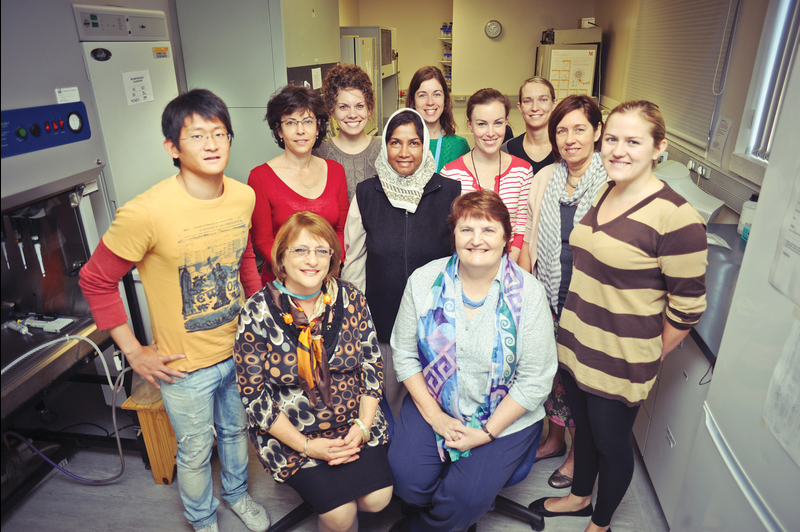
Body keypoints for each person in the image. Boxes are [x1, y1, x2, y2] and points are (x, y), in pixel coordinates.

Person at [79, 89, 269, 532]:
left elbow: (242, 261)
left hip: (238, 351)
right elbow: (95, 279)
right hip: (183, 367)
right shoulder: (145, 213)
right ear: (172, 147)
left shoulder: (243, 197)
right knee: (196, 449)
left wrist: (258, 318)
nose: (211, 144)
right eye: (197, 135)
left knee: (239, 435)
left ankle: (238, 496)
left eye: (220, 133)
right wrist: (133, 352)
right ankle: (202, 521)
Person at [530, 101, 707, 532]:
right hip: (574, 346)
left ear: (658, 148)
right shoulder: (606, 190)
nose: (618, 150)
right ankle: (578, 498)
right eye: (612, 139)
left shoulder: (677, 217)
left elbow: (688, 308)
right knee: (584, 434)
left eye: (633, 141)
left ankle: (601, 523)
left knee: (611, 445)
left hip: (619, 359)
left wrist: (644, 352)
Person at [387, 190, 557, 532]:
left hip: (503, 416)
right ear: (454, 235)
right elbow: (403, 354)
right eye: (466, 230)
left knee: (463, 499)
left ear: (507, 238)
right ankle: (455, 510)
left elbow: (535, 381)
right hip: (436, 403)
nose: (476, 240)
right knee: (407, 483)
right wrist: (435, 417)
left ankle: (445, 518)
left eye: (489, 230)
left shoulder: (529, 294)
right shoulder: (423, 281)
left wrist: (486, 433)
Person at [235, 211, 392, 532]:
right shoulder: (257, 311)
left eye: (322, 250)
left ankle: (337, 497)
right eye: (301, 250)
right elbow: (255, 399)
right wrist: (307, 446)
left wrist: (362, 426)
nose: (312, 260)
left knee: (377, 500)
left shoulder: (351, 299)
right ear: (281, 256)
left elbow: (372, 367)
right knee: (340, 516)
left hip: (353, 424)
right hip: (295, 434)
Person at [341, 108, 461, 418]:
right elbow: (354, 262)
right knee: (388, 409)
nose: (404, 152)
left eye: (414, 143)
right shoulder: (367, 193)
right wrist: (356, 323)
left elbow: (462, 260)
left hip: (437, 326)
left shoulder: (449, 191)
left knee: (439, 406)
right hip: (384, 326)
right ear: (385, 146)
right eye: (395, 143)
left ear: (425, 145)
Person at [517, 94, 608, 490]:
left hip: (590, 304)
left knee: (579, 381)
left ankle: (576, 454)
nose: (569, 139)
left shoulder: (612, 182)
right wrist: (526, 291)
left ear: (597, 132)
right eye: (562, 130)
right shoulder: (544, 179)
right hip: (549, 293)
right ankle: (553, 440)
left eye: (579, 129)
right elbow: (529, 236)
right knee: (552, 375)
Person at [249, 85, 349, 286]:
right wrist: (299, 271)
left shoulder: (336, 171)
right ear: (279, 130)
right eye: (291, 122)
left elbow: (342, 230)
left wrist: (325, 265)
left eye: (308, 121)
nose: (301, 130)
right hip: (282, 283)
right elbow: (263, 242)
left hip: (327, 279)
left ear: (318, 126)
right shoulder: (260, 177)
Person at [440, 88, 533, 263]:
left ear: (506, 122)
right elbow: (450, 231)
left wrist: (504, 270)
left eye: (497, 123)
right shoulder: (450, 173)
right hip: (465, 267)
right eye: (482, 124)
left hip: (508, 267)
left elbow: (521, 229)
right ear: (470, 124)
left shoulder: (523, 171)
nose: (491, 133)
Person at [314, 63, 382, 201]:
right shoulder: (319, 152)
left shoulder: (385, 148)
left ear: (369, 109)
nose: (352, 114)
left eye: (359, 106)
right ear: (332, 110)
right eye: (344, 107)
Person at [406, 66, 469, 173]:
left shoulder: (459, 146)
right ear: (413, 101)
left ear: (445, 100)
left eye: (436, 94)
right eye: (422, 95)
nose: (430, 102)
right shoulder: (401, 145)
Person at [501, 76, 557, 175]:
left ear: (554, 104)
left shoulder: (566, 148)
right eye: (527, 101)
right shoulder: (506, 150)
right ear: (520, 107)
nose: (535, 107)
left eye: (543, 100)